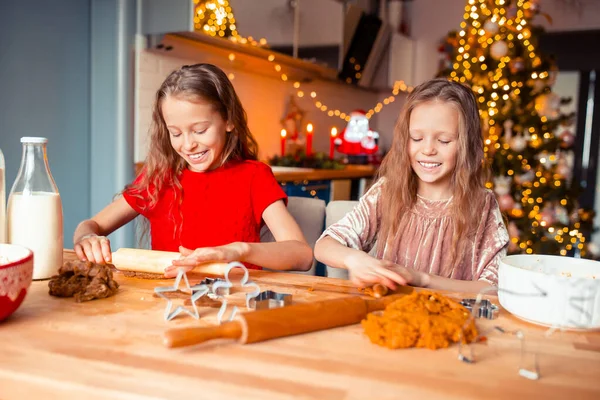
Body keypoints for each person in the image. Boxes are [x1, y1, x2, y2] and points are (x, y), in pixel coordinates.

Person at [74, 63, 313, 277]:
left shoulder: (254, 176)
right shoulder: (160, 178)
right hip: (164, 305)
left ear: (228, 120)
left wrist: (238, 250)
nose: (188, 144)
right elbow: (90, 225)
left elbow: (301, 255)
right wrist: (87, 239)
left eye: (199, 130)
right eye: (176, 133)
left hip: (234, 304)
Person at [314, 78, 509, 292]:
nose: (427, 150)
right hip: (389, 315)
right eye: (416, 138)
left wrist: (421, 279)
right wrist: (354, 259)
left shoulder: (482, 205)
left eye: (443, 141)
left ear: (467, 145)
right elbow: (324, 246)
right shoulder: (388, 191)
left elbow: (493, 288)